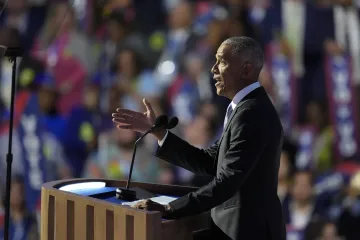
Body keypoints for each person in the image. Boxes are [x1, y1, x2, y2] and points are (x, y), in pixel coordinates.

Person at [112, 36, 286, 240]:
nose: (213, 69)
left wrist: (169, 208)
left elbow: (226, 182)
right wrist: (159, 133)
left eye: (222, 61)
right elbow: (212, 162)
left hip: (248, 232)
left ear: (246, 70)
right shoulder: (243, 109)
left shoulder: (252, 113)